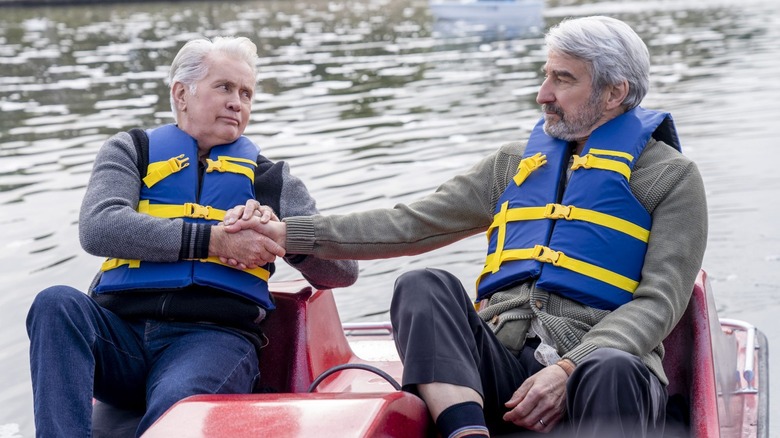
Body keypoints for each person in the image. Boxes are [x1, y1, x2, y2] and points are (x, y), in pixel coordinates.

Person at [223, 15, 708, 438]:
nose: (543, 94)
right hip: (507, 363)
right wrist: (290, 235)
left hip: (604, 372)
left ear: (614, 93)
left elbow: (659, 301)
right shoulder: (514, 164)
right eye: (546, 75)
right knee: (422, 286)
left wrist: (569, 366)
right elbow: (409, 224)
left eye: (563, 79)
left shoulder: (672, 178)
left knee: (610, 367)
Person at [25, 36, 358, 437]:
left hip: (212, 340)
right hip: (122, 338)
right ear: (181, 94)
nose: (238, 102)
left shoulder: (270, 178)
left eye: (247, 93)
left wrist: (282, 234)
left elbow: (342, 270)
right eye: (225, 88)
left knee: (173, 414)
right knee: (55, 303)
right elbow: (99, 228)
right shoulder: (131, 151)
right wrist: (213, 241)